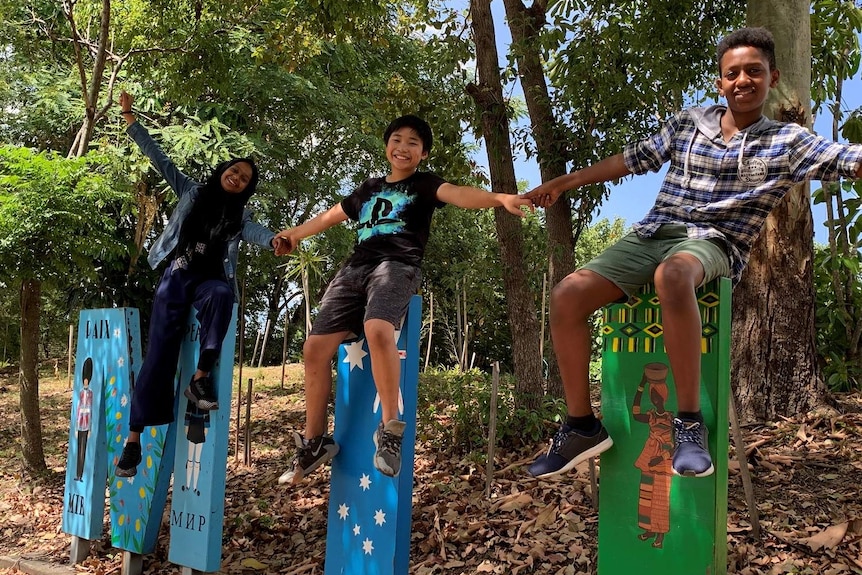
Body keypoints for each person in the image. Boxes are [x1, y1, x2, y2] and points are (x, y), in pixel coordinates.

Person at [523, 27, 862, 479]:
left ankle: (688, 422)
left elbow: (843, 156)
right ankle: (581, 425)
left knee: (672, 275)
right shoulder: (690, 122)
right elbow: (633, 159)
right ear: (720, 81)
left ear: (772, 77)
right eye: (732, 73)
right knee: (567, 295)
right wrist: (563, 182)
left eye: (754, 72)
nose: (743, 80)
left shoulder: (787, 142)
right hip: (652, 233)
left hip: (714, 241)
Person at [275, 114, 531, 483]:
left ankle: (390, 430)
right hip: (355, 269)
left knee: (378, 328)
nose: (403, 147)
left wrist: (500, 198)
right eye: (397, 139)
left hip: (396, 265)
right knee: (314, 349)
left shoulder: (425, 184)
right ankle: (315, 441)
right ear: (387, 146)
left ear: (423, 153)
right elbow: (331, 215)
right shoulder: (367, 189)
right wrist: (295, 235)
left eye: (413, 142)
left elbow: (459, 194)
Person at [114, 90, 284, 478]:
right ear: (223, 170)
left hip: (208, 280)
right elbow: (159, 160)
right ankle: (133, 441)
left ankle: (200, 379)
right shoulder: (192, 191)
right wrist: (130, 119)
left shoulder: (241, 215)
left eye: (244, 179)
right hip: (177, 275)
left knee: (223, 296)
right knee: (159, 354)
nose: (237, 178)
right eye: (234, 171)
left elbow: (257, 232)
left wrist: (275, 239)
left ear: (247, 188)